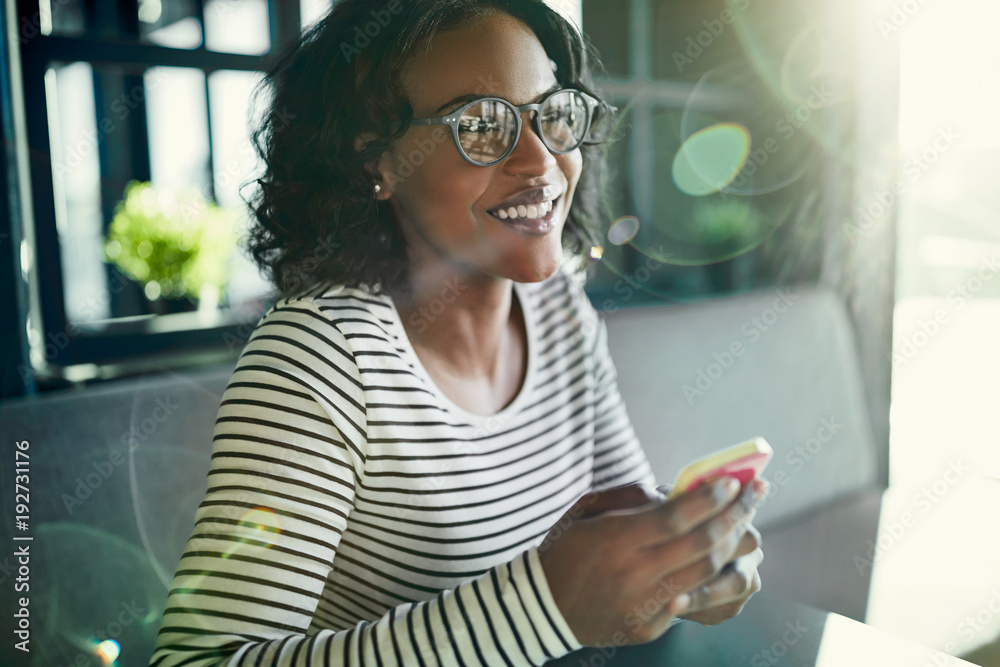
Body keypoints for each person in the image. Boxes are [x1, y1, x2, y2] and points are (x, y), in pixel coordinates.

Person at [148, 1, 767, 665]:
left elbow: (619, 530)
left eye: (550, 114)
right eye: (480, 125)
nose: (541, 161)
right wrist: (544, 606)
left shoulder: (558, 310)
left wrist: (678, 571)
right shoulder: (317, 359)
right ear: (373, 162)